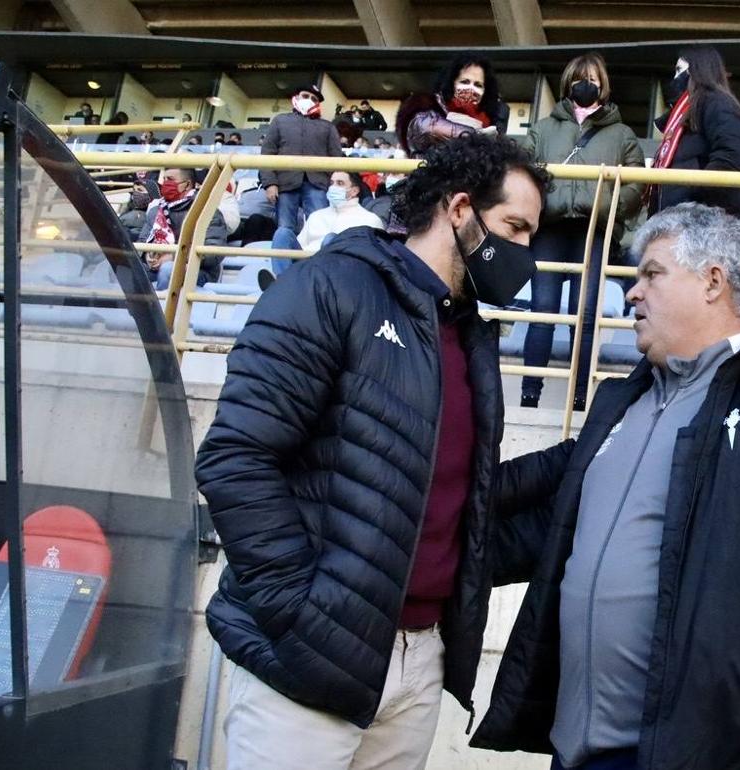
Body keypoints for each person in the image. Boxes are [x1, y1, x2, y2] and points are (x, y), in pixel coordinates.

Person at [472, 202, 740, 770]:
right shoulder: (626, 402)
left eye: (652, 273)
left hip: (708, 754)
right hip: (579, 752)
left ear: (713, 281)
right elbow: (552, 531)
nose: (632, 293)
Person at [197, 134, 549, 770]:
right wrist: (299, 616)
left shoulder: (468, 336)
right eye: (515, 229)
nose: (525, 254)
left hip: (418, 667)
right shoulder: (332, 287)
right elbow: (236, 458)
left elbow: (449, 497)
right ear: (461, 209)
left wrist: (581, 461)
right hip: (307, 665)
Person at [518, 52, 645, 411]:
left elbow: (637, 182)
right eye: (578, 78)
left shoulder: (622, 134)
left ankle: (578, 399)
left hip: (594, 231)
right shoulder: (543, 128)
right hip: (550, 230)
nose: (585, 84)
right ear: (568, 83)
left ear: (603, 84)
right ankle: (530, 395)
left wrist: (610, 208)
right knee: (542, 312)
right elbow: (524, 168)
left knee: (584, 315)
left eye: (592, 78)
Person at [646, 46, 740, 217]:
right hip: (677, 216)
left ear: (697, 70)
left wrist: (690, 196)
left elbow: (729, 159)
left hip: (700, 219)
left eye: (679, 70)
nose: (675, 77)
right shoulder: (684, 113)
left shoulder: (718, 103)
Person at [260, 83, 344, 235]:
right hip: (285, 183)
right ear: (297, 97)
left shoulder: (328, 127)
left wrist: (335, 185)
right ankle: (284, 259)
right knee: (284, 229)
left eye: (314, 99)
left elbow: (336, 157)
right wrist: (269, 183)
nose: (310, 100)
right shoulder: (280, 121)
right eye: (306, 96)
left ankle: (317, 259)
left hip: (318, 184)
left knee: (320, 230)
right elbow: (267, 153)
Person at [269, 170, 385, 275]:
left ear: (354, 191)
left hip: (339, 275)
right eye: (332, 183)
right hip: (307, 267)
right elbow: (301, 247)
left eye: (340, 183)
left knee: (331, 239)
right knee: (282, 234)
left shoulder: (369, 219)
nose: (333, 187)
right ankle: (283, 282)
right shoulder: (316, 216)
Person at [137, 167, 228, 289]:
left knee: (169, 269)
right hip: (155, 269)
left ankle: (161, 307)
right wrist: (147, 255)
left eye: (170, 179)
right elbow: (142, 241)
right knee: (126, 269)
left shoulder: (207, 212)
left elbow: (213, 253)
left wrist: (174, 257)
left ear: (187, 184)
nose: (165, 183)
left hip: (197, 271)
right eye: (164, 179)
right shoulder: (156, 211)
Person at [396, 54, 501, 159]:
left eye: (478, 85)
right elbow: (426, 129)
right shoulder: (426, 105)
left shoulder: (488, 121)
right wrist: (476, 136)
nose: (471, 89)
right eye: (465, 82)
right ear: (451, 82)